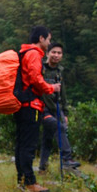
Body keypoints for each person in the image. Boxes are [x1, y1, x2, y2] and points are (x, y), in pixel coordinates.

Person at [14, 26, 60, 192]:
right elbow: (35, 78)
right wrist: (51, 88)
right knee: (28, 145)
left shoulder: (24, 53)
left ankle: (22, 180)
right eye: (48, 39)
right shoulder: (33, 54)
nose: (49, 43)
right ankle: (30, 182)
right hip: (30, 105)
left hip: (21, 104)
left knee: (21, 143)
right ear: (41, 38)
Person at [38, 43, 82, 175]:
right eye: (54, 52)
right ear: (48, 53)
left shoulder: (59, 71)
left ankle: (42, 168)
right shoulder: (40, 68)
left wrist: (65, 112)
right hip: (43, 109)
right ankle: (67, 158)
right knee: (59, 127)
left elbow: (63, 93)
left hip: (56, 108)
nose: (56, 55)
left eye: (59, 53)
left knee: (47, 138)